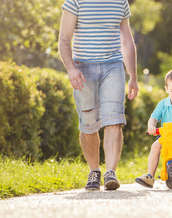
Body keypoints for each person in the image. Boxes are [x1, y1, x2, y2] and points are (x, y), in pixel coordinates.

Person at [58, 0, 139, 191]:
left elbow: (127, 40)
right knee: (88, 122)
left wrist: (133, 76)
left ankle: (111, 172)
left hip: (113, 66)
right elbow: (64, 39)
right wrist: (70, 68)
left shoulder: (120, 2)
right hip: (83, 67)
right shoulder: (75, 1)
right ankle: (94, 171)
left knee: (114, 118)